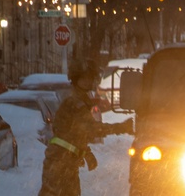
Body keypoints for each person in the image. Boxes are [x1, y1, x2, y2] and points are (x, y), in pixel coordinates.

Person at [38, 59, 134, 196]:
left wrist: (86, 152)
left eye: (90, 77)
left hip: (64, 160)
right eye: (85, 78)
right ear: (77, 80)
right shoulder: (75, 102)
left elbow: (74, 133)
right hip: (60, 162)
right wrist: (122, 127)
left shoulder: (79, 99)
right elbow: (92, 128)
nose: (90, 81)